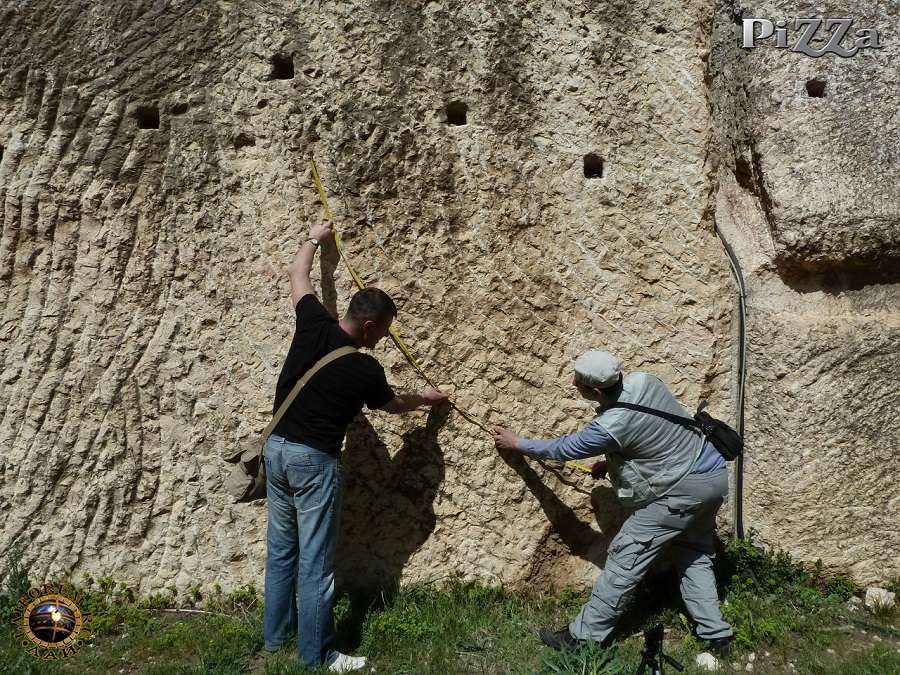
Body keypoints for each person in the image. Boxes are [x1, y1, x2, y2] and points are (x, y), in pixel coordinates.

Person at [263, 221, 448, 672]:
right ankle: (318, 655)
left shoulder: (311, 324)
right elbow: (392, 406)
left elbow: (298, 275)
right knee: (317, 564)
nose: (382, 339)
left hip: (276, 450)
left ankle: (274, 638)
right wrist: (425, 400)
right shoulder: (366, 370)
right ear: (369, 326)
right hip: (313, 464)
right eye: (383, 332)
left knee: (282, 550)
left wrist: (314, 236)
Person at [493, 350, 733, 655]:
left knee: (625, 561)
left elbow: (565, 448)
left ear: (593, 391)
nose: (572, 383)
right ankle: (718, 635)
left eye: (577, 382)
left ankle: (583, 638)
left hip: (679, 492)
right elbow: (655, 434)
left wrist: (518, 444)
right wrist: (612, 463)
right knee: (694, 552)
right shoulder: (647, 381)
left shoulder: (609, 426)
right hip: (711, 476)